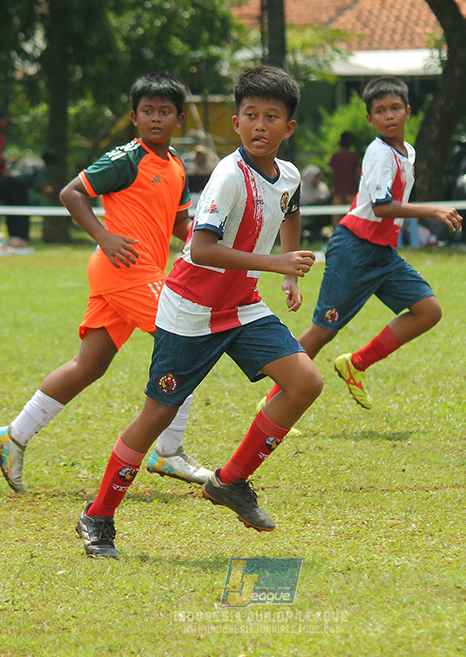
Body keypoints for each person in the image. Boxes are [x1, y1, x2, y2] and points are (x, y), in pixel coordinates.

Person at [76, 65, 322, 558]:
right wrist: (276, 262)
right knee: (156, 416)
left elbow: (290, 209)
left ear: (288, 128)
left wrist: (289, 272)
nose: (259, 125)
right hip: (190, 310)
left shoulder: (288, 174)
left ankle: (230, 482)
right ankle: (97, 516)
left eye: (271, 116)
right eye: (250, 114)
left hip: (242, 305)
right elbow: (202, 249)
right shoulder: (228, 177)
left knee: (306, 383)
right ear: (235, 122)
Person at [0, 74, 210, 493]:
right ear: (134, 117)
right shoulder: (126, 158)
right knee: (190, 340)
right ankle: (170, 451)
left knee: (89, 365)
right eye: (148, 112)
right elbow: (72, 193)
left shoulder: (176, 165)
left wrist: (205, 236)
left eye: (164, 112)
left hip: (136, 274)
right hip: (126, 270)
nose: (156, 119)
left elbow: (179, 221)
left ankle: (12, 435)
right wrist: (104, 237)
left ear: (179, 118)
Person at [259, 77, 462, 412]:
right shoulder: (378, 153)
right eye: (380, 111)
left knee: (428, 311)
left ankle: (356, 364)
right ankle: (270, 403)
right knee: (323, 331)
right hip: (354, 249)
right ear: (370, 120)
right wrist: (434, 209)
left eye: (395, 108)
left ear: (408, 111)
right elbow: (382, 207)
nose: (389, 116)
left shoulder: (406, 151)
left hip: (382, 253)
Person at [0, 149, 58, 246]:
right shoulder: (41, 166)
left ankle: (13, 237)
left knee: (10, 213)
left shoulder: (30, 159)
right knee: (22, 214)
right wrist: (44, 189)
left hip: (6, 182)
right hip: (18, 187)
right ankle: (22, 239)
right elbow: (36, 185)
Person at [329, 131, 362, 224]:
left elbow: (333, 174)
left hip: (338, 190)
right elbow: (359, 175)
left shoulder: (335, 157)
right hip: (351, 190)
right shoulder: (355, 158)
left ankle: (335, 237)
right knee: (353, 216)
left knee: (336, 217)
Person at [299, 163, 331, 238]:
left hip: (318, 217)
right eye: (315, 177)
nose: (317, 179)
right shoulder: (300, 188)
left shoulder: (322, 188)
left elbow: (325, 200)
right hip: (303, 217)